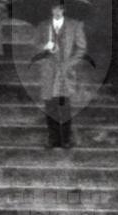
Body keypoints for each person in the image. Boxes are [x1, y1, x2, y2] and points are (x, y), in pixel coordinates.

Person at [37, 0, 86, 149]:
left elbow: (81, 48)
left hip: (65, 72)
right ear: (51, 9)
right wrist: (44, 47)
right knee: (50, 106)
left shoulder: (74, 25)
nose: (57, 11)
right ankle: (52, 138)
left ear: (64, 9)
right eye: (54, 8)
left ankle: (66, 138)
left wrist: (70, 63)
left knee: (64, 106)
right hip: (49, 71)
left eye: (59, 8)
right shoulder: (44, 26)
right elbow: (35, 44)